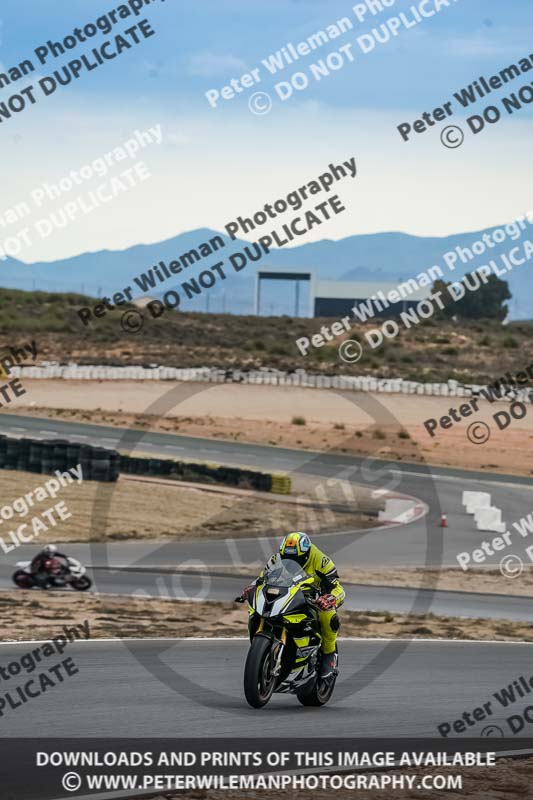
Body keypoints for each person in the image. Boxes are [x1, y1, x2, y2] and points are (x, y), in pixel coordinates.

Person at [244, 532, 345, 678]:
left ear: (305, 555)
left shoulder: (321, 560)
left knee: (329, 617)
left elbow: (338, 588)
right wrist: (251, 588)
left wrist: (330, 598)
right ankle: (263, 651)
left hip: (314, 597)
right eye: (287, 557)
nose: (290, 561)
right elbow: (262, 579)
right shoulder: (277, 558)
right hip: (288, 593)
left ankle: (328, 656)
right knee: (256, 611)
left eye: (295, 559)